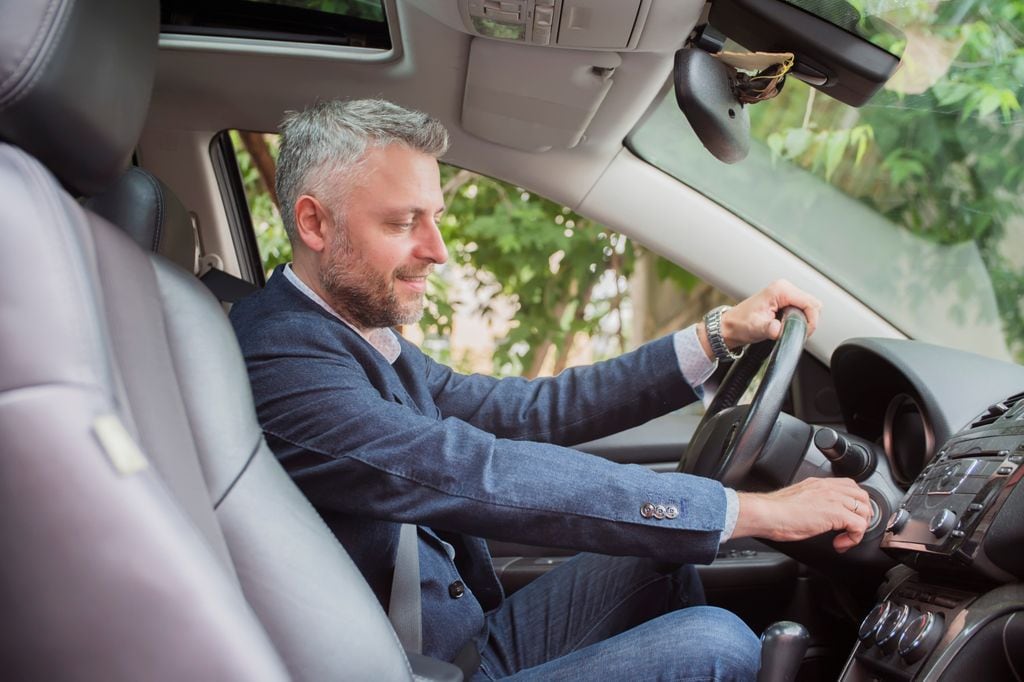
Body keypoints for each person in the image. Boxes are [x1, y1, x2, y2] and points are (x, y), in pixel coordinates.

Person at [229, 99, 872, 681]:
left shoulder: (346, 333)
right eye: (404, 223)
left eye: (437, 218)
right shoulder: (283, 357)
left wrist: (717, 334)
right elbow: (474, 472)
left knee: (659, 558)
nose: (439, 249)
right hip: (414, 669)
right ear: (315, 224)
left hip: (455, 644)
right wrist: (751, 512)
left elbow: (521, 412)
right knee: (720, 643)